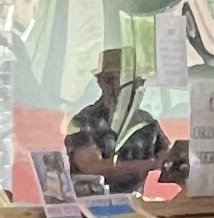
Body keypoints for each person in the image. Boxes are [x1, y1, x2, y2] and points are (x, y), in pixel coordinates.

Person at [66, 52, 166, 189]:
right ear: (104, 83)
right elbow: (92, 167)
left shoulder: (147, 122)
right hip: (98, 200)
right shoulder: (84, 121)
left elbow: (167, 158)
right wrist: (148, 166)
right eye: (126, 82)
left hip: (141, 200)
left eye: (138, 82)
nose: (135, 88)